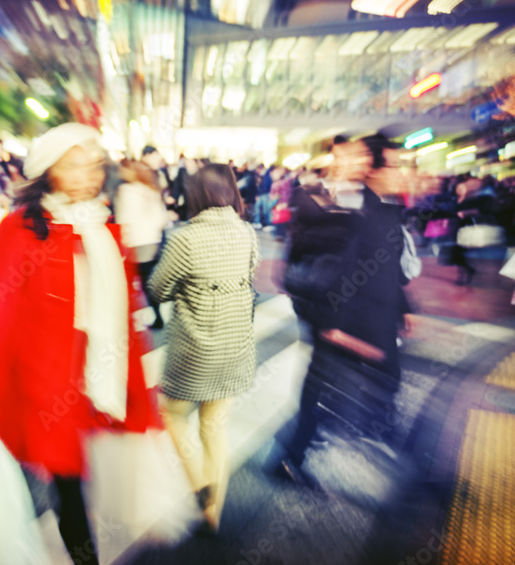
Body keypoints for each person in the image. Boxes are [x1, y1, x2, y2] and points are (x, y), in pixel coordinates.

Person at [0, 123, 156, 565]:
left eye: (94, 163)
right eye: (75, 163)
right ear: (48, 172)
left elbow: (122, 312)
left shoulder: (102, 225)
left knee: (77, 476)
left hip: (88, 379)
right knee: (64, 480)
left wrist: (134, 379)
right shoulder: (19, 229)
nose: (89, 173)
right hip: (35, 383)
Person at [275, 137, 405, 486]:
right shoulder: (317, 195)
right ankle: (293, 453)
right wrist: (332, 322)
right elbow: (322, 259)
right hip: (336, 312)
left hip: (369, 315)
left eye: (361, 155)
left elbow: (387, 264)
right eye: (350, 154)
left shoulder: (382, 206)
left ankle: (309, 444)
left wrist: (406, 308)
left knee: (365, 381)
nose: (356, 162)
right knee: (322, 381)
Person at [148, 164, 259, 533]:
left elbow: (158, 289)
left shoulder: (185, 238)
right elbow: (252, 274)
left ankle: (199, 484)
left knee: (172, 414)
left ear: (194, 195)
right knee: (215, 428)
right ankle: (214, 511)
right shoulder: (247, 233)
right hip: (235, 347)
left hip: (195, 352)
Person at [115, 160, 169, 329]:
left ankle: (131, 319)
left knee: (131, 282)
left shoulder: (125, 191)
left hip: (135, 242)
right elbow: (162, 217)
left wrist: (125, 241)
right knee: (148, 282)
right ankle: (157, 316)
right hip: (153, 241)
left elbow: (122, 220)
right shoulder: (151, 190)